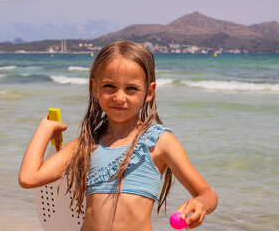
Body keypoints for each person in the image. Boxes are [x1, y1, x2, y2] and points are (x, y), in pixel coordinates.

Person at [19, 40, 218, 230]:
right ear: (94, 88)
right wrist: (44, 129)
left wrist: (200, 203)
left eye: (131, 89)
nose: (119, 97)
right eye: (109, 86)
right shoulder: (86, 145)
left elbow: (207, 194)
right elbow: (29, 178)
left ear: (149, 92)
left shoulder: (158, 143)